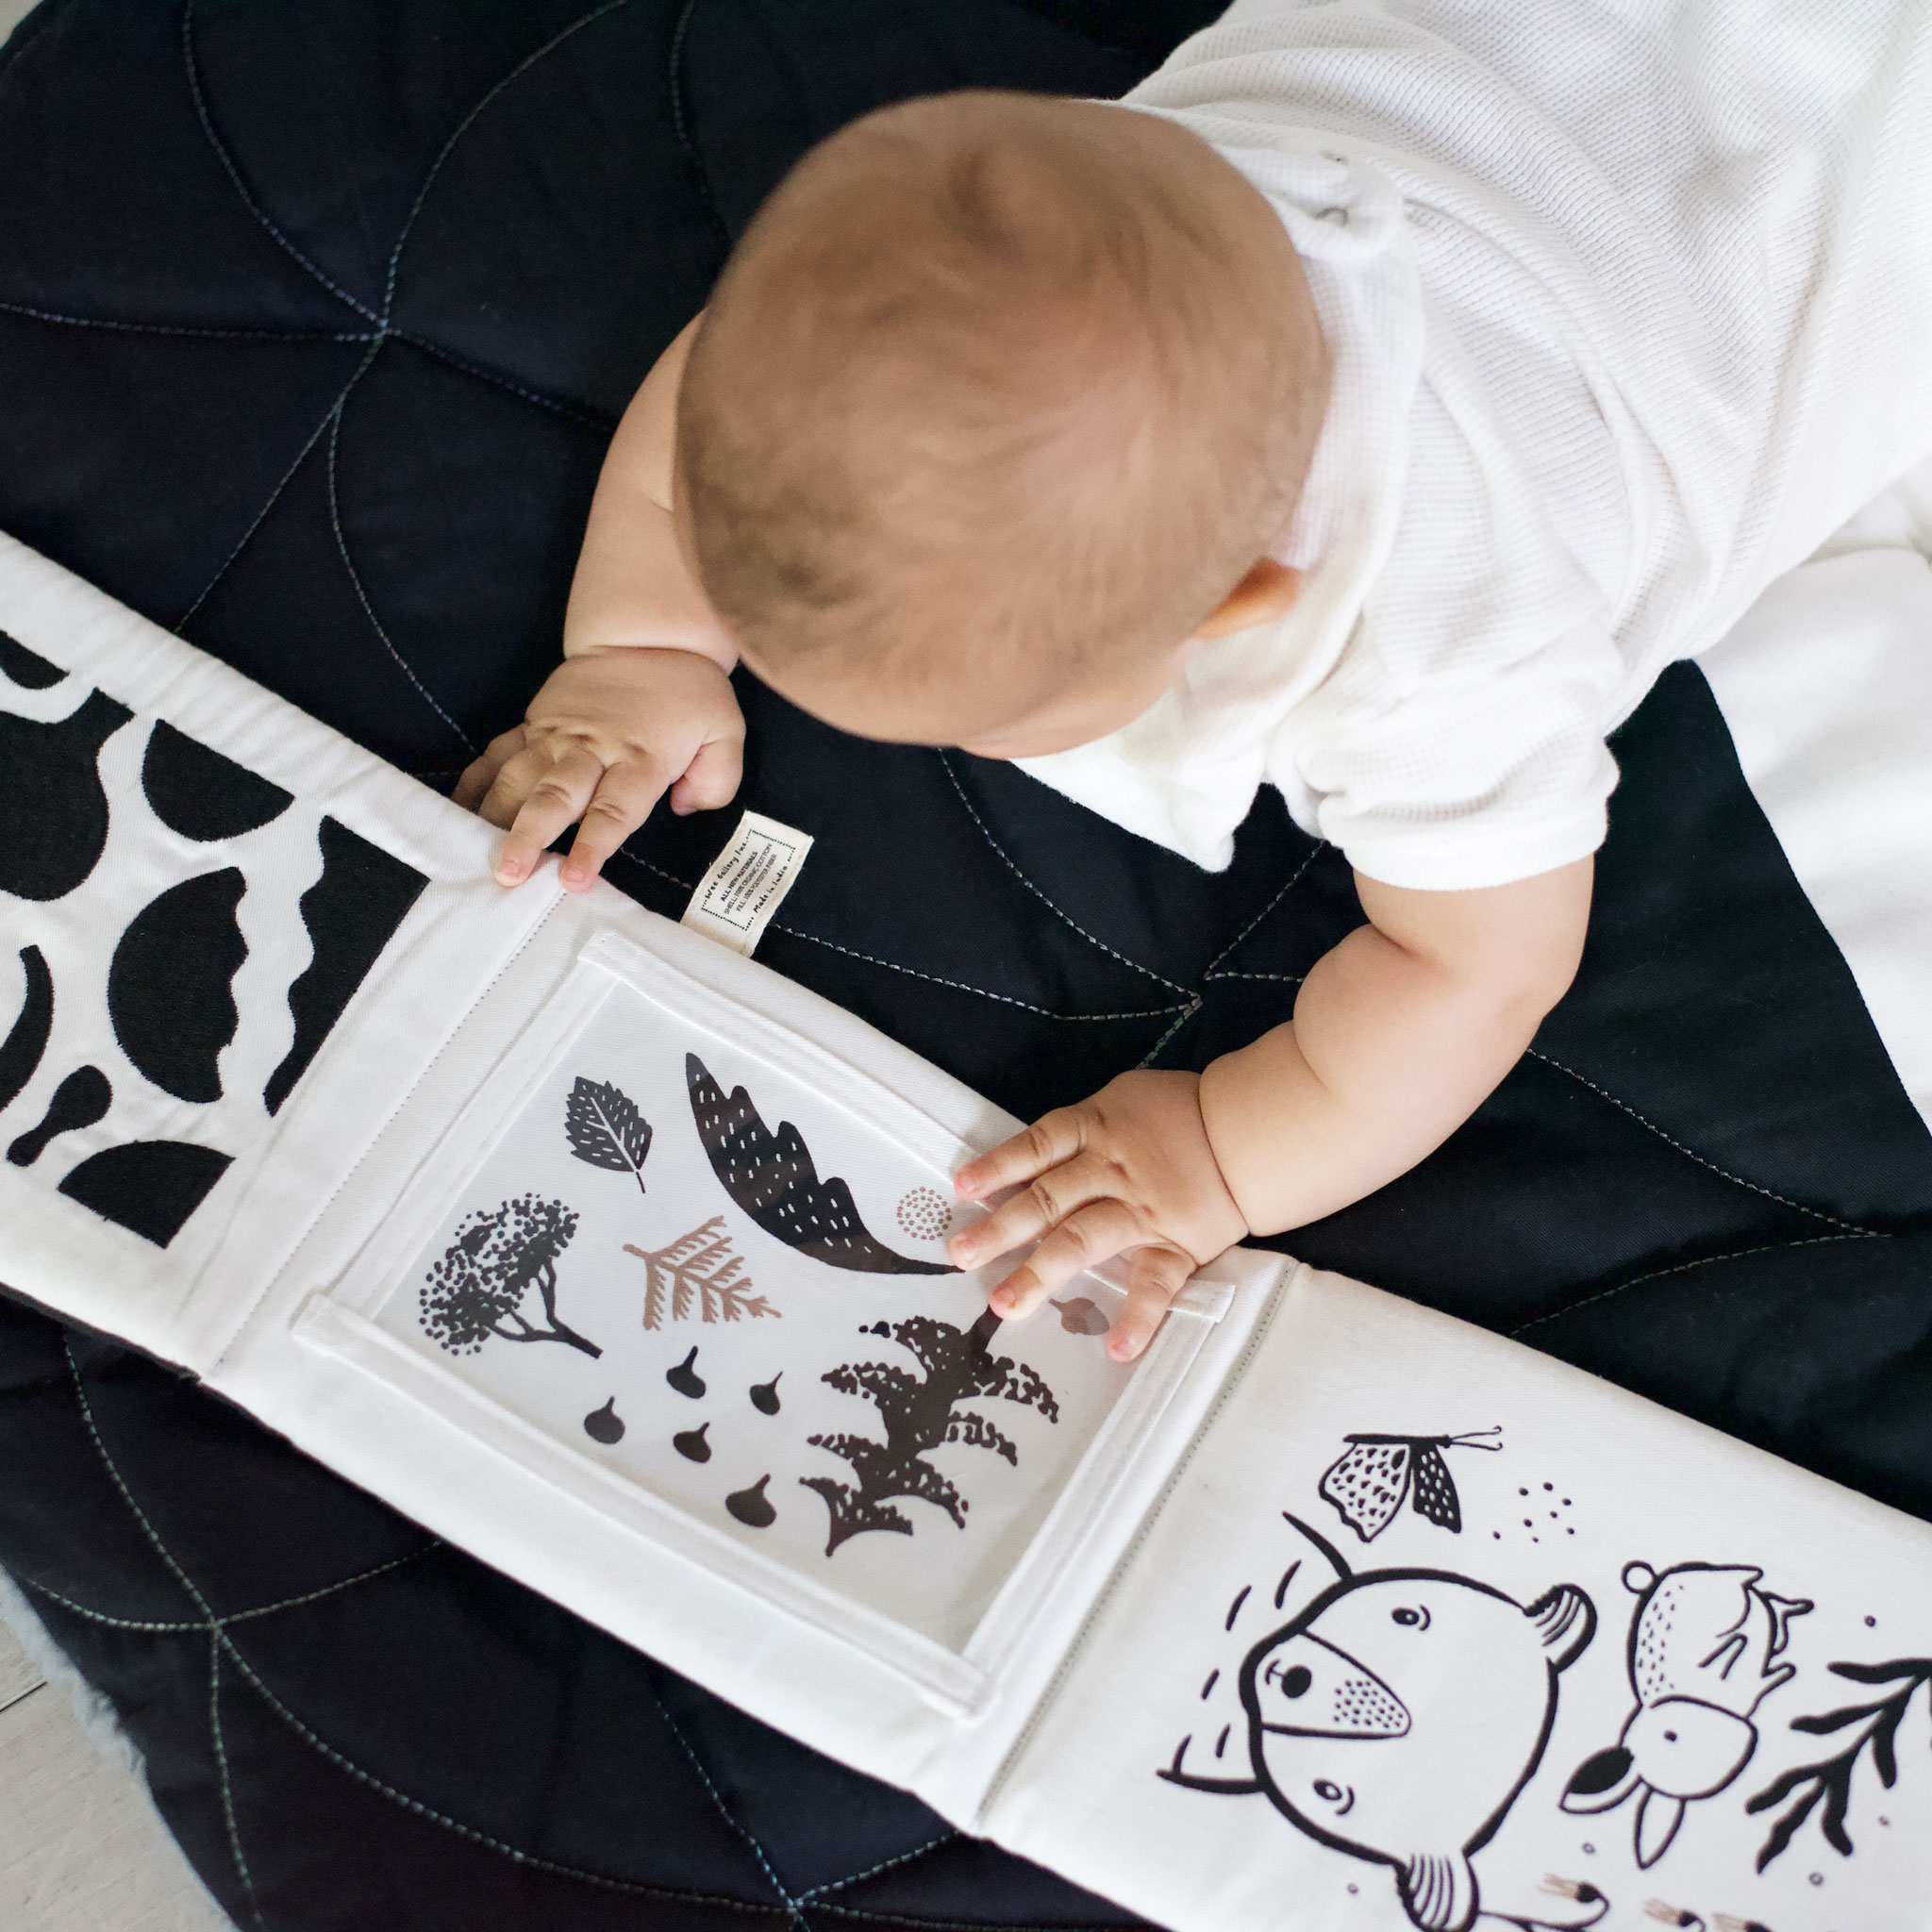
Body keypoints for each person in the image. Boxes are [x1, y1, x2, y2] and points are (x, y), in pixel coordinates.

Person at [455, 2, 1932, 1364]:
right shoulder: (1088, 231)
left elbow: (1477, 970)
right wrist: (639, 650)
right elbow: (726, 388)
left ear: (1241, 609)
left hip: (1843, 189)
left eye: (987, 718)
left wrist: (1221, 1152)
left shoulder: (1437, 648)